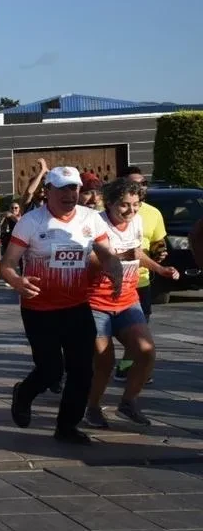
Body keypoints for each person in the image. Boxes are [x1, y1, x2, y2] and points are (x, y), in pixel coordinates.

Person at [0, 166, 125, 444]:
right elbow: (7, 264)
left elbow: (105, 252)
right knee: (51, 370)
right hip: (39, 308)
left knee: (82, 370)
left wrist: (113, 267)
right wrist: (17, 281)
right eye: (64, 188)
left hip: (77, 306)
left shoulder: (90, 218)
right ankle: (24, 393)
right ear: (48, 191)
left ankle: (67, 426)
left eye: (75, 188)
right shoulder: (31, 222)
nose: (71, 194)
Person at [86, 178, 178, 428]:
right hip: (96, 302)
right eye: (124, 205)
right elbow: (91, 260)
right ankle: (92, 407)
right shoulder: (95, 223)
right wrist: (118, 258)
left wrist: (160, 268)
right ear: (110, 203)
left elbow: (137, 253)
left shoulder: (137, 222)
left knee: (146, 351)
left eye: (136, 204)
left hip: (128, 299)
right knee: (104, 360)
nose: (131, 210)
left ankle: (128, 402)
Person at [114, 165, 167, 383]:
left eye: (144, 183)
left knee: (140, 329)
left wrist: (160, 252)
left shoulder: (153, 213)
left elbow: (158, 240)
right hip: (111, 282)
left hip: (140, 280)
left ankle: (127, 366)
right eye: (135, 183)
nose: (141, 187)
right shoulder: (113, 209)